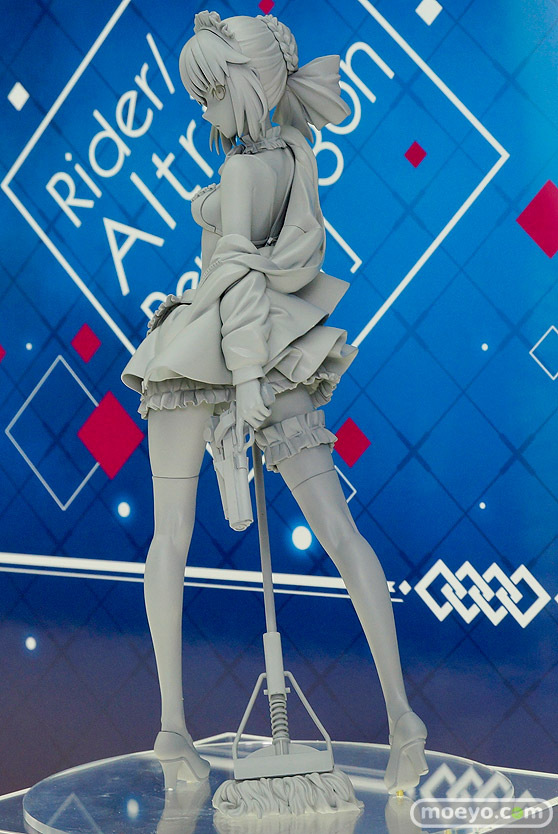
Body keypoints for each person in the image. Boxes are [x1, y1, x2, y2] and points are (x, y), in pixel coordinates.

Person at [122, 10, 427, 794]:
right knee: (341, 532)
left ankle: (173, 728)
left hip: (212, 353)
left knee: (170, 539)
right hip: (272, 349)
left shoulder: (243, 173)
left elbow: (237, 281)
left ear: (248, 85)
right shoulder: (295, 153)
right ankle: (403, 718)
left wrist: (249, 377)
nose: (205, 112)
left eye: (211, 94)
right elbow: (262, 264)